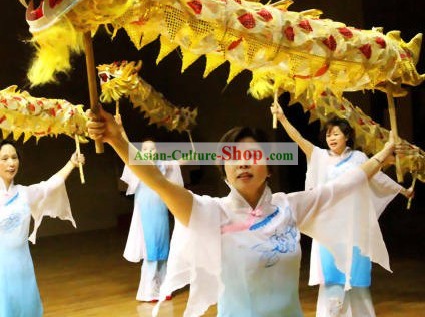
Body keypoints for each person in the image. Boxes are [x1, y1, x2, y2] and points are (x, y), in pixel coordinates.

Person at [87, 105, 402, 317]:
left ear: (269, 167)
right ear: (224, 171)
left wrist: (386, 153)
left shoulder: (289, 206)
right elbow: (156, 180)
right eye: (233, 157)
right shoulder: (211, 213)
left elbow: (347, 184)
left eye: (252, 154)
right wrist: (117, 139)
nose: (243, 162)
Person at [271, 101, 414, 317]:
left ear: (347, 136)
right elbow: (298, 139)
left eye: (336, 134)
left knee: (355, 275)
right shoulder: (320, 157)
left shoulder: (358, 158)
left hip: (353, 227)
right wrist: (282, 118)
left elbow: (378, 177)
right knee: (332, 275)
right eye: (329, 134)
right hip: (328, 228)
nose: (332, 138)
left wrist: (403, 191)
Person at [0, 139, 85, 317]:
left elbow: (49, 186)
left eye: (14, 157)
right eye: (5, 158)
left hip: (22, 264)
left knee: (26, 308)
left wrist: (71, 163)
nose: (11, 163)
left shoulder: (24, 193)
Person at [115, 115, 184, 302]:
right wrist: (121, 129)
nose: (148, 151)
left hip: (160, 213)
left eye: (152, 148)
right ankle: (148, 291)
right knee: (151, 252)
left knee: (163, 251)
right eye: (145, 149)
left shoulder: (162, 165)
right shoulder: (138, 165)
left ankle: (164, 288)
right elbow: (127, 147)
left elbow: (181, 162)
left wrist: (188, 133)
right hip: (146, 214)